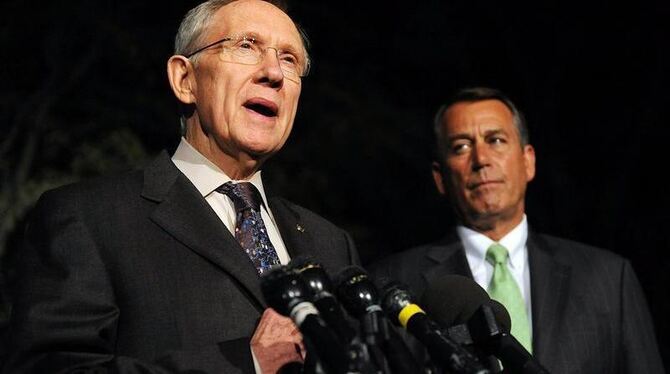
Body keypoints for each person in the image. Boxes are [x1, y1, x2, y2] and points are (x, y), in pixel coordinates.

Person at [3, 1, 359, 373]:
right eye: (246, 46)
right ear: (185, 80)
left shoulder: (330, 243)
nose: (273, 73)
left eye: (289, 59)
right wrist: (246, 364)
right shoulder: (89, 220)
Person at [370, 87, 664, 373]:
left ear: (528, 161)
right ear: (440, 178)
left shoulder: (609, 278)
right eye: (461, 146)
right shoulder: (394, 282)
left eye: (495, 140)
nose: (481, 159)